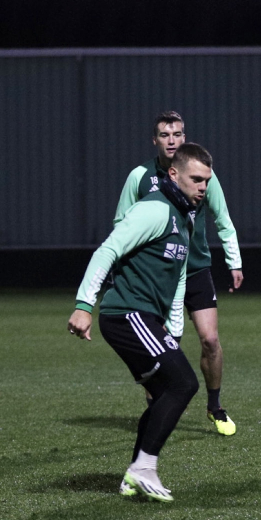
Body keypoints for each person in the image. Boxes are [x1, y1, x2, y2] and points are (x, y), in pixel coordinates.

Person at [71, 143, 212, 501]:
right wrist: (84, 304)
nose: (202, 187)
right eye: (196, 179)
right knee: (183, 383)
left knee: (166, 391)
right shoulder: (154, 210)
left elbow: (178, 279)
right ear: (173, 175)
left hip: (146, 318)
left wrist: (173, 327)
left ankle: (134, 475)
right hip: (126, 313)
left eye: (207, 181)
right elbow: (108, 250)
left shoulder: (185, 217)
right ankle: (143, 467)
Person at [114, 111, 243, 436]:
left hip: (195, 268)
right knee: (160, 346)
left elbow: (223, 219)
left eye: (177, 134)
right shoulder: (140, 177)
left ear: (184, 138)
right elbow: (121, 223)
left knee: (211, 340)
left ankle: (215, 407)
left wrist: (234, 261)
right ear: (154, 140)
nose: (172, 140)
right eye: (165, 134)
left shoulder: (200, 174)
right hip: (158, 275)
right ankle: (157, 410)